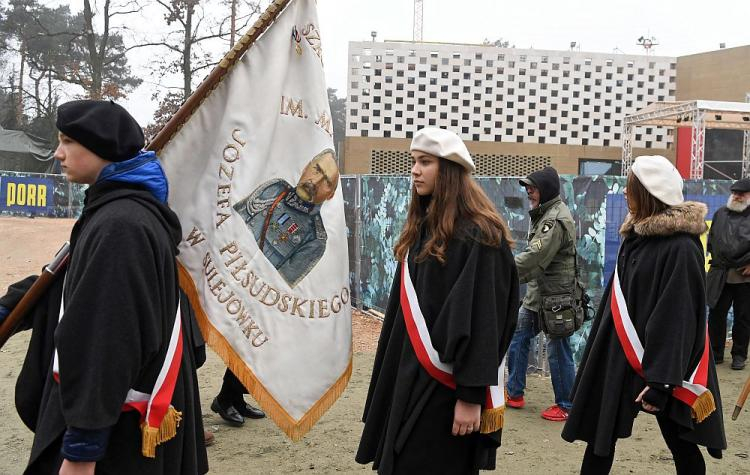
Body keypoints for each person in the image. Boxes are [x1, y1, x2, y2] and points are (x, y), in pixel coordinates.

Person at [0, 100, 208, 474]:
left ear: (101, 148)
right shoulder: (120, 212)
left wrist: (82, 450)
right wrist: (11, 308)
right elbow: (75, 280)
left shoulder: (121, 225)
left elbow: (108, 335)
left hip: (115, 436)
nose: (58, 153)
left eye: (67, 141)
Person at [355, 127, 519, 474]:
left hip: (447, 390)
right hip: (409, 378)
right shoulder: (422, 228)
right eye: (414, 161)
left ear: (448, 171)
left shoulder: (480, 234)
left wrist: (470, 397)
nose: (414, 169)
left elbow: (486, 319)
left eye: (425, 162)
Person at [562, 155, 726, 474]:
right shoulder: (636, 238)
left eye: (630, 186)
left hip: (664, 363)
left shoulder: (681, 246)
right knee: (601, 435)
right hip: (622, 355)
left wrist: (662, 382)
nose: (625, 192)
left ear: (648, 193)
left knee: (680, 440)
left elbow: (676, 315)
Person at [505, 166, 577, 421]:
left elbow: (536, 256)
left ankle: (567, 404)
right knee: (519, 337)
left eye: (532, 188)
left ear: (545, 190)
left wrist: (502, 271)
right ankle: (514, 392)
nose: (528, 193)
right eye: (527, 189)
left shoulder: (554, 220)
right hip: (539, 295)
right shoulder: (545, 213)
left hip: (556, 298)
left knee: (558, 349)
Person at [233, 149, 339, 287]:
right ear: (306, 167)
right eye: (317, 169)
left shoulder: (315, 240)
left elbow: (277, 288)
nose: (316, 181)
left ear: (330, 195)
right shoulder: (274, 188)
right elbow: (230, 221)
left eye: (327, 182)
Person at [706, 177, 750, 370]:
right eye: (734, 192)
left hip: (745, 277)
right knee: (716, 315)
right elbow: (711, 240)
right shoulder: (720, 214)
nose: (737, 196)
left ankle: (739, 355)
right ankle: (715, 353)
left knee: (743, 317)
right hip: (720, 274)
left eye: (741, 193)